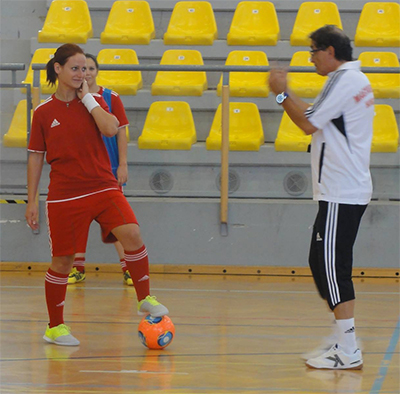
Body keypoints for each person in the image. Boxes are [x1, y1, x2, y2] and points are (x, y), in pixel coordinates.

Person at [25, 43, 169, 346]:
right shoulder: (42, 112)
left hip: (103, 186)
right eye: (75, 68)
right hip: (64, 195)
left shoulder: (95, 102)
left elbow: (110, 128)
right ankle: (55, 327)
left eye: (85, 69)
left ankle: (144, 298)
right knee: (63, 261)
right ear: (58, 69)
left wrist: (89, 98)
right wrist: (31, 200)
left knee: (132, 234)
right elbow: (36, 156)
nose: (81, 74)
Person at [269, 25, 374, 370]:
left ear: (330, 51)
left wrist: (282, 95)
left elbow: (308, 123)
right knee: (322, 262)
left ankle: (348, 349)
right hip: (341, 189)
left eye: (313, 50)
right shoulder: (348, 81)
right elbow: (319, 119)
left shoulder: (346, 82)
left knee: (332, 268)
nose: (311, 57)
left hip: (342, 189)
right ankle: (342, 338)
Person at [68, 53, 133, 287]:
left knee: (116, 222)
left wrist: (123, 164)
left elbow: (121, 131)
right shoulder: (69, 99)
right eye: (83, 69)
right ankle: (77, 268)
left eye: (92, 69)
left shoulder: (111, 97)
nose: (87, 73)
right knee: (78, 221)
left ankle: (128, 268)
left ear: (97, 71)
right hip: (80, 172)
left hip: (108, 171)